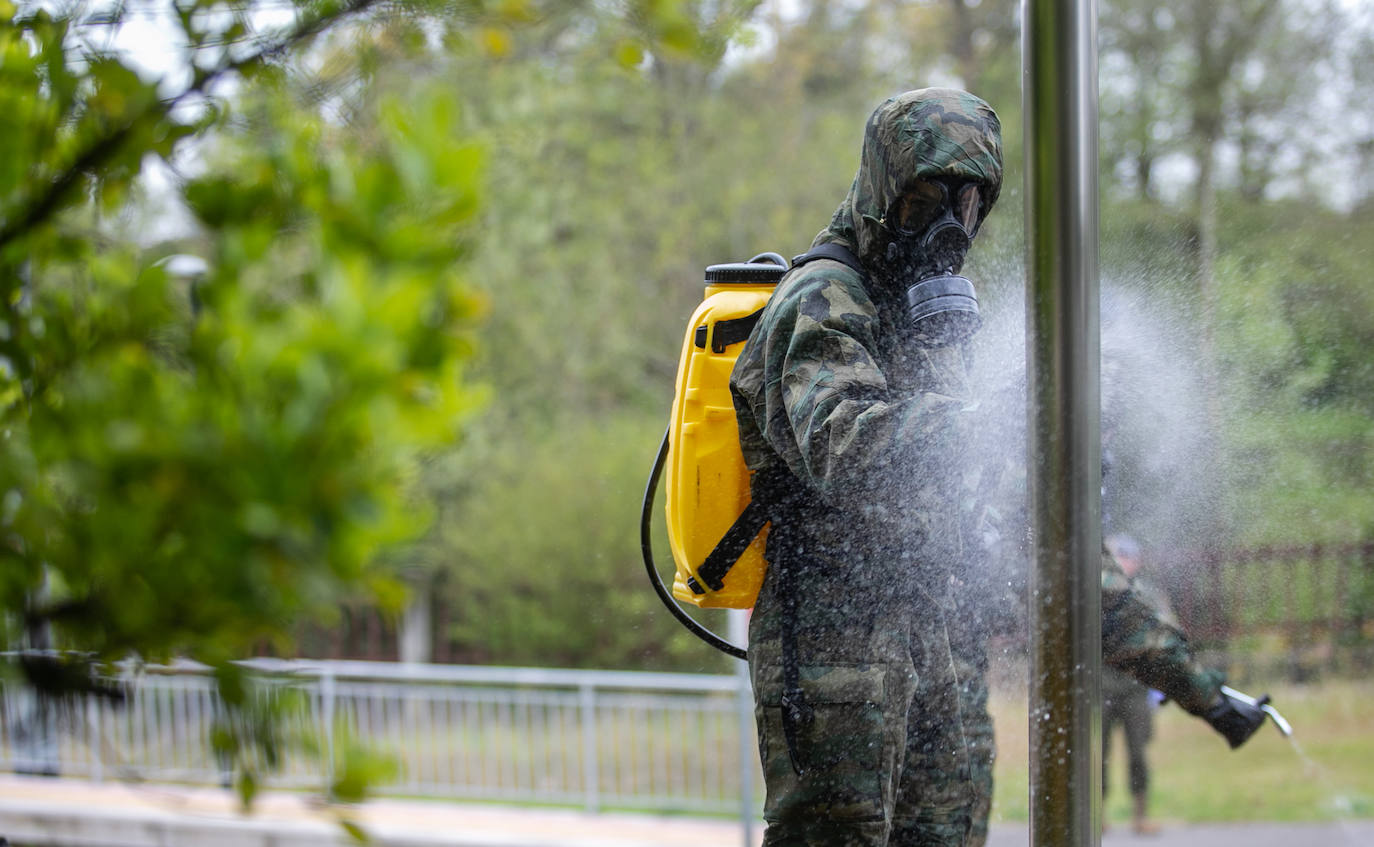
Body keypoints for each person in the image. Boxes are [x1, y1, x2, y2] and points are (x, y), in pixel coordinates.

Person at [731, 87, 1274, 847]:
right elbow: (847, 447)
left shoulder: (924, 326)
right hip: (838, 651)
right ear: (884, 189)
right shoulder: (823, 301)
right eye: (928, 198)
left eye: (970, 200)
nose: (952, 223)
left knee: (951, 833)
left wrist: (1204, 691)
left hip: (940, 646)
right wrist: (1000, 421)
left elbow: (1032, 545)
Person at [1101, 533, 1168, 835]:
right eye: (1117, 556)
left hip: (1135, 688)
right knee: (1096, 753)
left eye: (1127, 556)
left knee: (1139, 752)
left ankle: (1141, 815)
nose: (1123, 562)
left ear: (1137, 561)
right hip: (1100, 687)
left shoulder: (1148, 595)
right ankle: (1095, 816)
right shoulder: (1096, 594)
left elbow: (1166, 637)